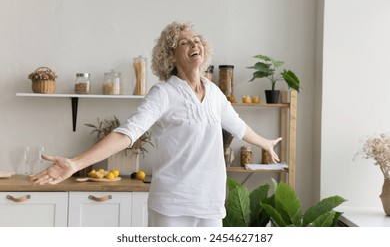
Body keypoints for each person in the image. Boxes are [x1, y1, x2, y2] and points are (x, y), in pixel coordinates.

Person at [30, 21, 282, 227]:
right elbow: (127, 134)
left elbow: (239, 126)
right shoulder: (163, 93)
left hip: (211, 206)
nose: (194, 43)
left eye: (197, 40)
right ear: (170, 56)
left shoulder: (214, 93)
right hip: (172, 206)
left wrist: (265, 143)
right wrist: (75, 163)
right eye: (184, 42)